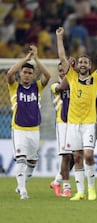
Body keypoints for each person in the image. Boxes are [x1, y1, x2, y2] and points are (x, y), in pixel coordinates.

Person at [55, 26, 97, 201]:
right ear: (77, 66)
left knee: (88, 155)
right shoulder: (71, 77)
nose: (83, 65)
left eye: (86, 62)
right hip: (72, 124)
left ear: (90, 66)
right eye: (81, 62)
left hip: (88, 123)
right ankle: (80, 191)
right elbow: (62, 57)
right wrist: (59, 37)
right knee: (76, 156)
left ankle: (92, 189)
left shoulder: (95, 78)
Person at [7, 45, 51, 199]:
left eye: (30, 73)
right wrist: (26, 59)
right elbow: (10, 73)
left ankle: (21, 184)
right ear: (21, 74)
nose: (26, 75)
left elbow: (47, 75)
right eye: (24, 72)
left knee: (32, 161)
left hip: (34, 130)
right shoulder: (14, 87)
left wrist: (36, 58)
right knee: (21, 159)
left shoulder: (37, 87)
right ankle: (23, 191)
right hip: (18, 129)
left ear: (33, 76)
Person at [49, 61, 73, 198]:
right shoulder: (54, 86)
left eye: (65, 71)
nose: (63, 73)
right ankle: (66, 187)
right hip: (62, 123)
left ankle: (57, 181)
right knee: (66, 155)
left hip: (74, 123)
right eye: (61, 71)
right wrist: (70, 74)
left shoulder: (73, 84)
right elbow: (60, 88)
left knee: (76, 156)